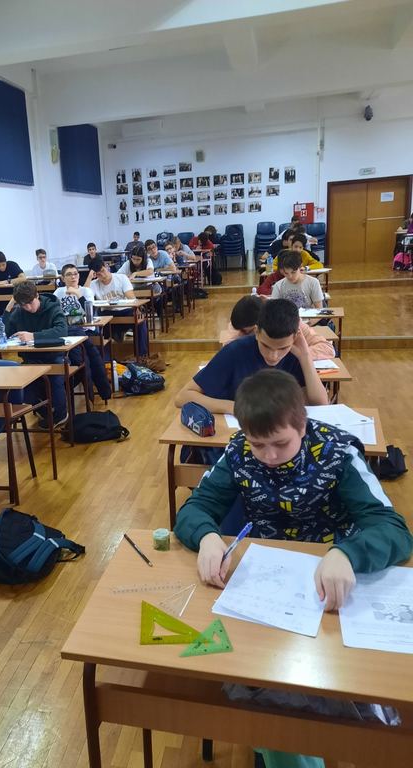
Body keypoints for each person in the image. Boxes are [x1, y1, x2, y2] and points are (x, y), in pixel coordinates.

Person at [174, 368, 413, 768]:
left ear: (302, 425)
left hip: (329, 584)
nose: (268, 456)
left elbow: (394, 530)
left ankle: (286, 743)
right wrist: (208, 536)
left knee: (315, 688)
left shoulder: (338, 453)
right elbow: (196, 508)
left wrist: (347, 553)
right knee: (265, 681)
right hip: (268, 585)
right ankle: (281, 742)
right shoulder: (239, 451)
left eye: (280, 443)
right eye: (259, 445)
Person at [175, 298, 328, 414]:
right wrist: (233, 407)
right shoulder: (234, 351)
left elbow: (321, 404)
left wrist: (305, 356)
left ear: (295, 337)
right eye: (266, 346)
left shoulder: (297, 353)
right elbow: (182, 397)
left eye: (283, 348)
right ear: (256, 332)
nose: (273, 356)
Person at [3, 281, 68, 429]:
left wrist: (33, 336)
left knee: (54, 378)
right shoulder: (19, 312)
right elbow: (5, 333)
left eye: (30, 303)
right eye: (23, 305)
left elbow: (62, 331)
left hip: (54, 357)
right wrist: (9, 307)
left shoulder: (52, 307)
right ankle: (45, 412)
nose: (28, 307)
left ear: (37, 295)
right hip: (30, 358)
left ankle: (61, 415)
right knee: (21, 385)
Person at [54, 264, 111, 401]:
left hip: (87, 331)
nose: (73, 277)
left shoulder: (86, 291)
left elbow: (89, 314)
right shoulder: (58, 292)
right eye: (69, 274)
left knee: (84, 354)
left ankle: (90, 387)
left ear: (79, 276)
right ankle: (85, 386)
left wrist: (78, 295)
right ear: (63, 278)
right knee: (81, 355)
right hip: (68, 334)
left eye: (75, 274)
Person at [226, 295, 335, 360]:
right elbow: (229, 348)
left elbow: (328, 349)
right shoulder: (240, 324)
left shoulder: (291, 323)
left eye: (248, 331)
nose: (242, 334)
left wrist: (287, 353)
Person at [89, 256, 150, 358]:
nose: (102, 275)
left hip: (125, 311)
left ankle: (141, 356)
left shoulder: (121, 278)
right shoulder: (93, 284)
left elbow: (131, 297)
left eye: (103, 271)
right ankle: (107, 360)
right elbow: (86, 297)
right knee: (98, 328)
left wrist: (137, 309)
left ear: (106, 266)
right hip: (107, 314)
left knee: (140, 322)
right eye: (98, 274)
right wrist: (89, 277)